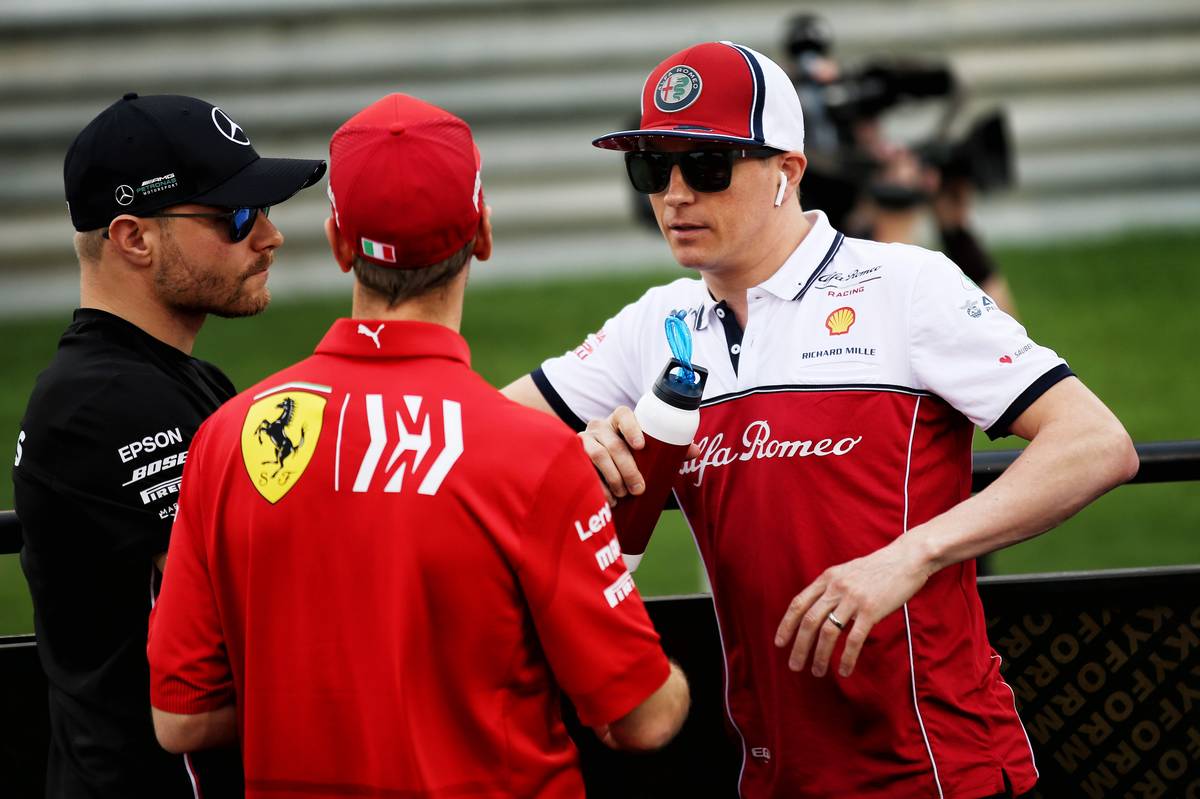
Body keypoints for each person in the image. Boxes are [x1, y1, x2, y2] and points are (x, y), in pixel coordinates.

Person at [502, 42, 1137, 798]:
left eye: (706, 167)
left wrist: (914, 553)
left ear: (787, 171)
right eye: (651, 167)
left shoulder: (905, 283)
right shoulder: (656, 320)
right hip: (768, 772)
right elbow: (478, 437)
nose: (674, 194)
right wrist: (576, 446)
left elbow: (1097, 442)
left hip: (937, 769)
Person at [147, 93, 689, 799]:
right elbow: (639, 718)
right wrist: (673, 682)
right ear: (483, 232)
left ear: (340, 242)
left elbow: (181, 718)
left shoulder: (228, 437)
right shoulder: (531, 454)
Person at [11, 92, 326, 798]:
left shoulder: (178, 380)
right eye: (236, 217)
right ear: (134, 238)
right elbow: (266, 603)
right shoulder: (97, 405)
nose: (270, 236)